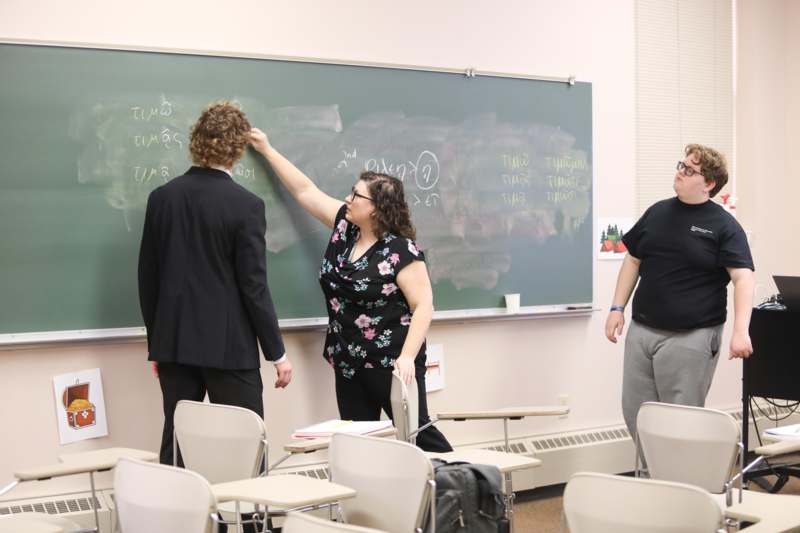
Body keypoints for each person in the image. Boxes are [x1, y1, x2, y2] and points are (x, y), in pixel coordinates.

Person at [249, 127, 452, 452]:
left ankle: (463, 488)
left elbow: (424, 304)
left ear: (375, 207)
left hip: (392, 363)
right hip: (348, 360)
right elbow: (305, 191)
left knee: (418, 437)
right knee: (360, 445)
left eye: (356, 195)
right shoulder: (345, 227)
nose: (348, 198)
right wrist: (267, 149)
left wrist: (407, 357)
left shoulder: (401, 250)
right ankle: (377, 501)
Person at [138, 102, 292, 465]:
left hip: (173, 344)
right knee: (245, 447)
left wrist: (157, 342)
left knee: (177, 444)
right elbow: (253, 286)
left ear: (196, 142)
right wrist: (277, 354)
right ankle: (252, 521)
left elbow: (148, 278)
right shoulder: (246, 205)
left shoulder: (162, 199)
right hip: (230, 348)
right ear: (238, 150)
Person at [605, 143, 754, 439]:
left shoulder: (724, 226)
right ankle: (652, 480)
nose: (680, 173)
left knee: (679, 422)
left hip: (692, 335)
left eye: (690, 170)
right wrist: (616, 308)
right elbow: (633, 259)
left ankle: (679, 482)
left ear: (709, 184)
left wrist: (741, 331)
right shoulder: (657, 212)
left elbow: (743, 278)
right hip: (643, 331)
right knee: (636, 413)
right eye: (681, 165)